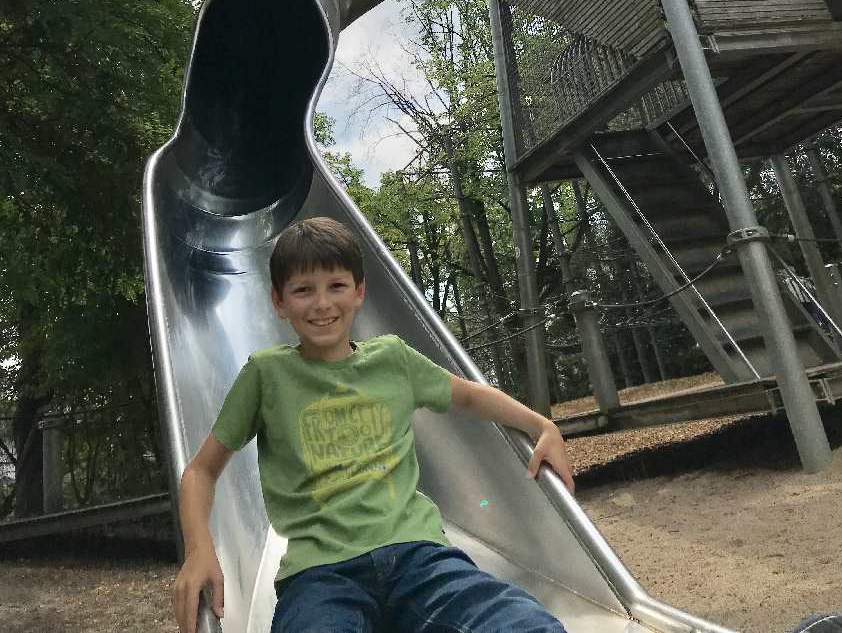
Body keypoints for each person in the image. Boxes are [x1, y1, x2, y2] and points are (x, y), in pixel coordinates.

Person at [173, 216, 575, 633]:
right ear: (279, 301)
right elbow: (201, 471)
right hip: (321, 574)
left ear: (359, 291)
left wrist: (541, 425)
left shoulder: (392, 360)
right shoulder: (266, 375)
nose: (322, 303)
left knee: (527, 625)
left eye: (336, 286)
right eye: (303, 290)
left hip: (419, 557)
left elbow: (469, 395)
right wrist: (199, 548)